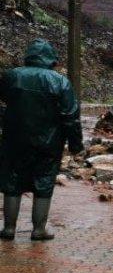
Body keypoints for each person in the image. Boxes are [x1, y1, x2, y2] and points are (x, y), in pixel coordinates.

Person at [0, 40, 84, 241]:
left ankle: (9, 228)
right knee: (44, 182)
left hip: (14, 141)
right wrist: (75, 145)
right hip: (48, 143)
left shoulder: (12, 76)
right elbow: (71, 116)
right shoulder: (60, 81)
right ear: (51, 58)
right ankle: (38, 230)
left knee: (12, 182)